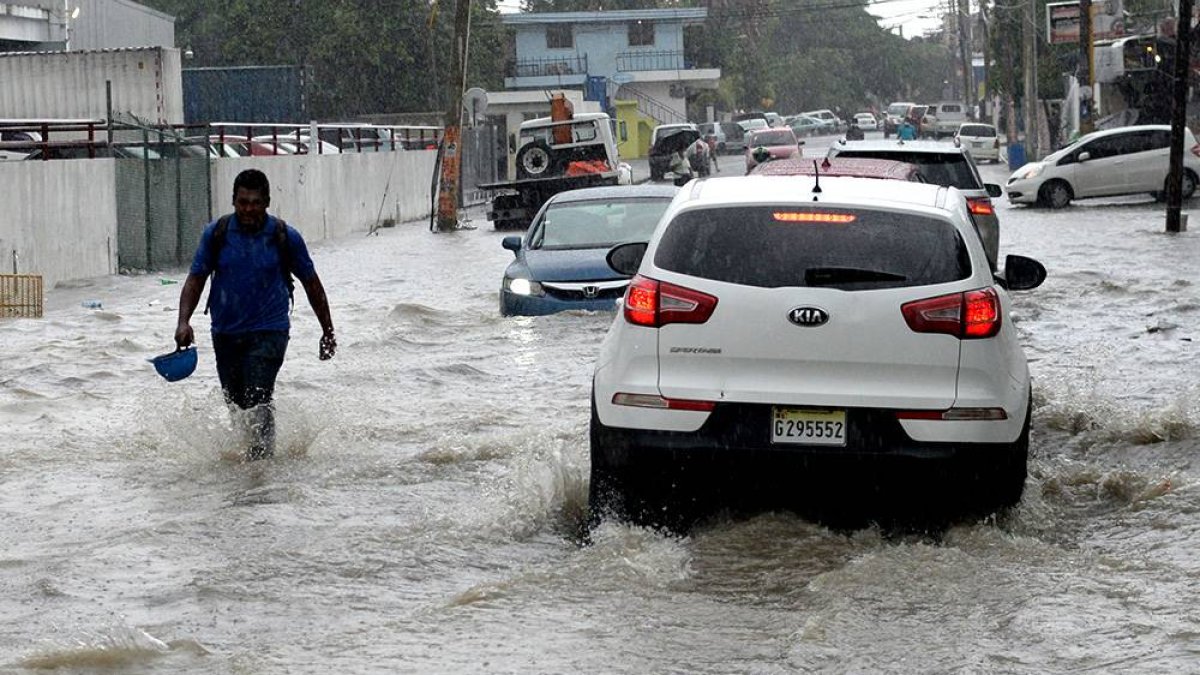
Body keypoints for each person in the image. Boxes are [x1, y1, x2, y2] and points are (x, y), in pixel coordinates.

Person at [174, 169, 336, 461]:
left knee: (258, 398)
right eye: (243, 202)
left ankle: (261, 467)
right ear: (233, 201)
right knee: (236, 404)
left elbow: (312, 283)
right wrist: (183, 321)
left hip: (270, 331)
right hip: (225, 333)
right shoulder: (217, 234)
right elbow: (196, 279)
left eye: (255, 202)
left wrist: (327, 330)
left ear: (267, 202)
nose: (249, 209)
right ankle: (250, 460)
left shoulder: (284, 236)